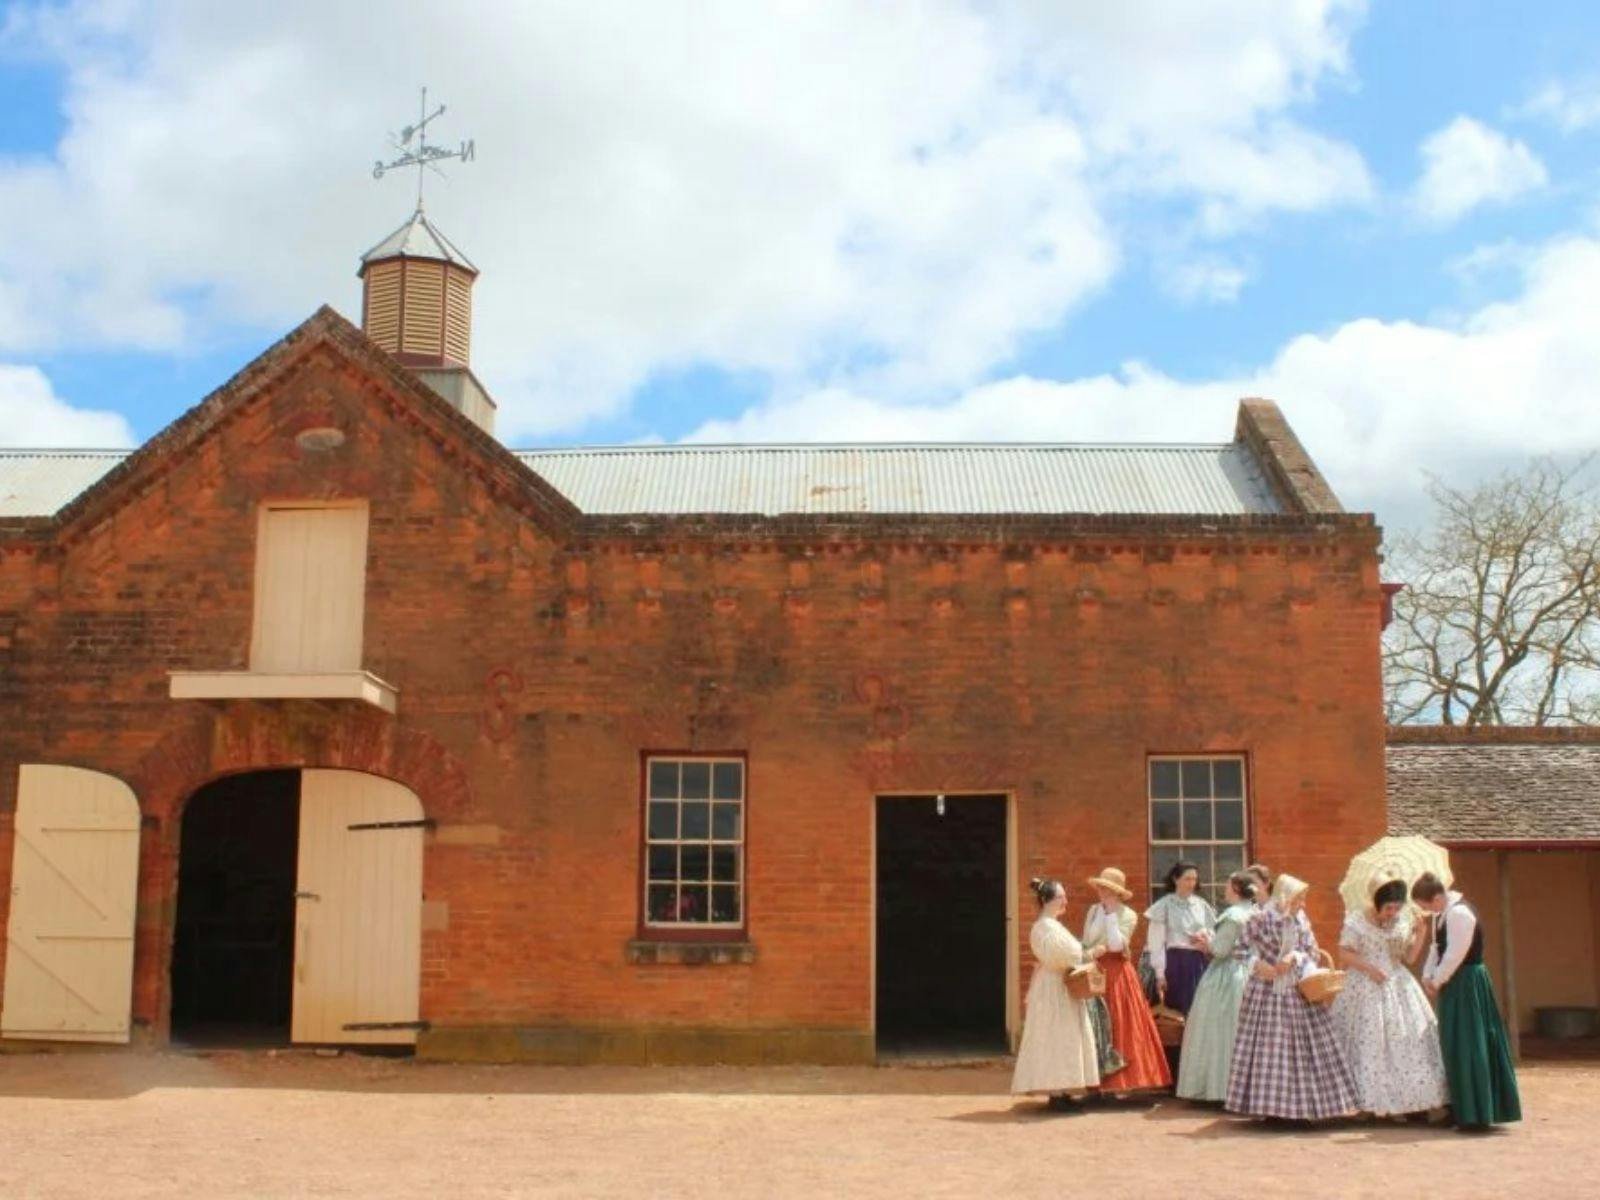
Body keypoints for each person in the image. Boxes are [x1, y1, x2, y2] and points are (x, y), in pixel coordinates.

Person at [1225, 874, 1359, 1121]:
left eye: (1304, 899)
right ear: (1285, 896)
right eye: (1299, 899)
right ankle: (1270, 1109)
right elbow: (1239, 950)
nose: (1303, 904)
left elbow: (1312, 951)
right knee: (1270, 1048)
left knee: (1303, 1048)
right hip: (1265, 991)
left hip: (1297, 990)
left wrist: (1295, 957)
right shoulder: (1259, 918)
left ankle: (1302, 1109)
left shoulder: (1300, 920)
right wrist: (1257, 964)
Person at [1330, 876, 1449, 1119]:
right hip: (1363, 985)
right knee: (1366, 1041)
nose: (1392, 912)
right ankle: (1365, 1104)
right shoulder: (1356, 921)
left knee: (1407, 1041)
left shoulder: (1402, 921)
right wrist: (1369, 969)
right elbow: (1343, 953)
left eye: (1397, 907)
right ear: (1376, 902)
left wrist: (1421, 933)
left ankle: (1411, 1103)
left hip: (1398, 985)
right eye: (1388, 908)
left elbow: (1410, 958)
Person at [1413, 872, 1521, 1130]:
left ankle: (1477, 1113)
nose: (1426, 911)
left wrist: (1437, 980)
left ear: (1437, 897)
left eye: (1426, 905)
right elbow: (1436, 949)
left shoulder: (1460, 914)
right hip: (1453, 983)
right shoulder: (1442, 914)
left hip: (1467, 982)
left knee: (1470, 1044)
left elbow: (1455, 955)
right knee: (1453, 1044)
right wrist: (1428, 976)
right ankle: (1461, 1109)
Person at [1011, 877, 1101, 1109]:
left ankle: (1062, 1089)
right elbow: (1065, 956)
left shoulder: (1053, 925)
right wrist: (1088, 954)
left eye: (1064, 896)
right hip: (1053, 987)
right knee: (1054, 1035)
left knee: (1063, 1036)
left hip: (1059, 985)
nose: (1065, 901)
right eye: (1060, 897)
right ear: (1046, 900)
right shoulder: (1045, 927)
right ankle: (1056, 1091)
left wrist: (1084, 953)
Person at [1082, 867, 1171, 1093]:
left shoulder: (1128, 915)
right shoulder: (1093, 911)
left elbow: (1116, 945)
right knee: (1095, 1024)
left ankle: (1121, 1082)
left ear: (1117, 892)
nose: (1102, 892)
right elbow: (1087, 940)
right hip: (1095, 969)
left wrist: (1111, 914)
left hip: (1117, 973)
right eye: (1101, 887)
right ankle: (1096, 1083)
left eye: (1107, 888)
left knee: (1120, 1022)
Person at [1175, 870, 1257, 1102]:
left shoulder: (1233, 916)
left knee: (1218, 1031)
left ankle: (1219, 1089)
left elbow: (1220, 950)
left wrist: (1205, 943)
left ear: (1237, 890)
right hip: (1249, 972)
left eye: (1228, 886)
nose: (1225, 890)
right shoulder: (1255, 912)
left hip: (1227, 975)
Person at [1144, 860, 1217, 1015]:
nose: (1191, 883)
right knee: (1175, 1012)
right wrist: (1160, 974)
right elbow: (1156, 942)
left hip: (1198, 963)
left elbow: (1212, 932)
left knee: (1199, 1010)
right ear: (1176, 879)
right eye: (1187, 879)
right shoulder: (1164, 905)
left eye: (1194, 879)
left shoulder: (1201, 905)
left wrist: (1205, 939)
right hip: (1174, 964)